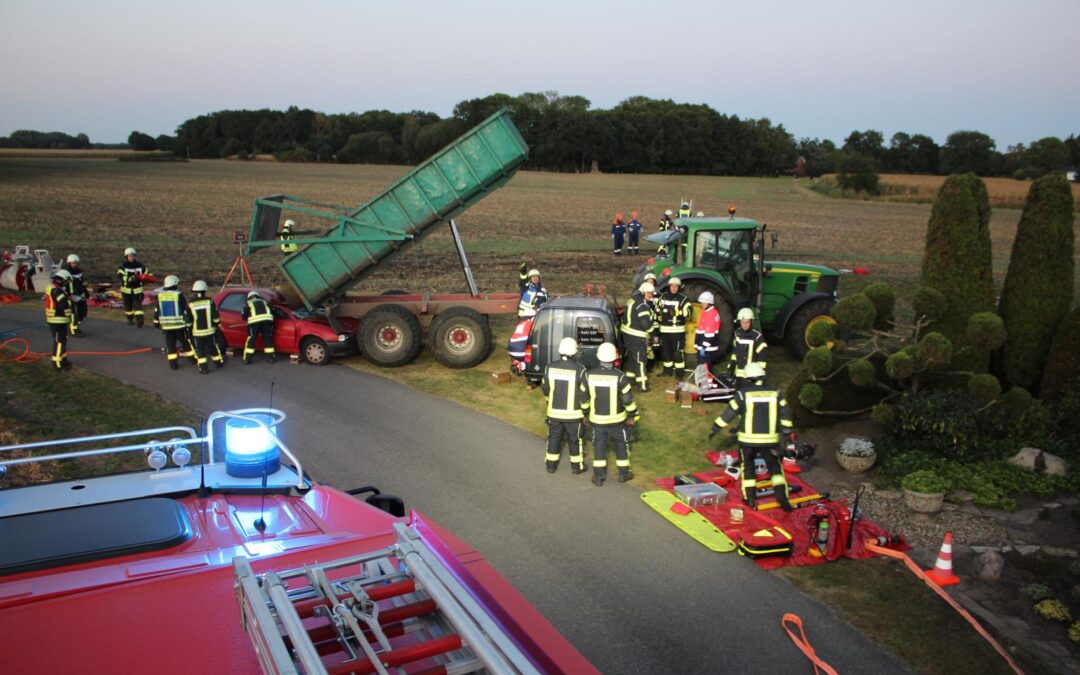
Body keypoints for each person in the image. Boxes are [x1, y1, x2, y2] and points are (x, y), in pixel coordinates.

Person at [710, 362, 794, 510]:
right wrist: (786, 433)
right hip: (770, 441)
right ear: (763, 375)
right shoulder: (776, 393)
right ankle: (783, 500)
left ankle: (750, 500)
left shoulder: (743, 394)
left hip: (747, 441)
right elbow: (786, 414)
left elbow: (729, 414)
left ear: (748, 378)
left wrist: (715, 427)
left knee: (748, 469)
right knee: (775, 469)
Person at [585, 342, 639, 486]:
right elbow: (628, 400)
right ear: (615, 358)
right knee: (621, 445)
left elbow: (584, 398)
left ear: (598, 357)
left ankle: (598, 477)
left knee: (599, 448)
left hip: (597, 420)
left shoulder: (589, 375)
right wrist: (633, 415)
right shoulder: (621, 377)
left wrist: (585, 414)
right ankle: (624, 474)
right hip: (618, 421)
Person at [541, 337, 590, 474]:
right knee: (575, 440)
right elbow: (584, 394)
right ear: (574, 352)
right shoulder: (580, 369)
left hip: (554, 413)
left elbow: (545, 388)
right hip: (574, 415)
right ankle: (577, 467)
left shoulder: (549, 367)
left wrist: (548, 401)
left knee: (553, 438)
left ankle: (550, 466)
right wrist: (586, 410)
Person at [153, 275, 194, 371]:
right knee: (185, 342)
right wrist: (189, 321)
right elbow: (185, 308)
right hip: (179, 325)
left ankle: (173, 365)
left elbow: (156, 310)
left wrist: (156, 322)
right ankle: (192, 360)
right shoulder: (178, 295)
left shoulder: (160, 295)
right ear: (175, 284)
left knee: (170, 346)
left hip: (167, 326)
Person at [622, 282, 655, 392]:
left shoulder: (632, 299)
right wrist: (653, 331)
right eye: (649, 293)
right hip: (637, 336)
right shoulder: (642, 305)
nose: (651, 295)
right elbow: (646, 324)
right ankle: (642, 386)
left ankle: (630, 380)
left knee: (632, 358)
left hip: (627, 334)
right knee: (640, 360)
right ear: (644, 292)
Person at [658, 277, 693, 378]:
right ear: (669, 287)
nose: (673, 288)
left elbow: (690, 313)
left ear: (679, 287)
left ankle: (679, 374)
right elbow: (657, 306)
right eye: (672, 286)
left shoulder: (683, 299)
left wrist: (678, 312)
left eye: (676, 286)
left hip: (677, 332)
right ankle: (667, 372)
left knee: (677, 353)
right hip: (664, 330)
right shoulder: (663, 297)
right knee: (666, 352)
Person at [188, 280, 225, 374]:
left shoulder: (190, 303)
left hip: (197, 333)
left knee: (200, 351)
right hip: (209, 331)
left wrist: (188, 329)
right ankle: (218, 363)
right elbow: (215, 316)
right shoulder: (209, 301)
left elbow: (188, 319)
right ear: (205, 290)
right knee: (213, 347)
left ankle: (203, 369)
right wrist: (217, 324)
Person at [730, 307, 767, 388]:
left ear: (751, 321)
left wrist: (759, 376)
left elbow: (762, 359)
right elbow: (735, 352)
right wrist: (731, 367)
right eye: (742, 322)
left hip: (751, 375)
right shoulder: (737, 333)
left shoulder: (757, 336)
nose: (744, 325)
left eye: (747, 322)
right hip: (739, 373)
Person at [44, 270, 73, 370]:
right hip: (57, 319)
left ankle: (63, 358)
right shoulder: (57, 290)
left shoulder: (53, 288)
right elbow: (63, 304)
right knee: (59, 341)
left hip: (58, 319)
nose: (67, 283)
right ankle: (57, 363)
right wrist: (70, 301)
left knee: (63, 339)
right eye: (66, 281)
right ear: (61, 280)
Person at [117, 247, 148, 327]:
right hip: (126, 291)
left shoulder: (140, 266)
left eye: (133, 255)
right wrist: (129, 279)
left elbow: (147, 273)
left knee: (138, 305)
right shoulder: (123, 266)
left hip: (137, 290)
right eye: (129, 256)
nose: (131, 257)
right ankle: (130, 319)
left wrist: (147, 278)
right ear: (126, 257)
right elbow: (120, 275)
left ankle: (140, 320)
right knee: (128, 306)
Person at [242, 291, 276, 364]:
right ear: (257, 296)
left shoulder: (248, 302)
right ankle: (270, 358)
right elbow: (273, 311)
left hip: (254, 323)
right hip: (267, 322)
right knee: (267, 338)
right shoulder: (264, 301)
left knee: (251, 339)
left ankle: (248, 359)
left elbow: (244, 317)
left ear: (249, 297)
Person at [694, 291, 722, 377]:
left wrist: (703, 347)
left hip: (707, 347)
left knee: (706, 367)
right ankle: (704, 383)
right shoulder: (707, 311)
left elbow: (709, 334)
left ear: (708, 303)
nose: (701, 304)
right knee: (704, 366)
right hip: (704, 345)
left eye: (703, 302)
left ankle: (707, 385)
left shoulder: (711, 314)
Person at [60, 254, 87, 336]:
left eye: (75, 263)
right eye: (72, 263)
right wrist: (67, 294)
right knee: (74, 313)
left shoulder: (79, 271)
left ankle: (76, 325)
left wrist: (85, 291)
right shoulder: (66, 272)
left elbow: (81, 282)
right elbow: (63, 285)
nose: (74, 264)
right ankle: (74, 330)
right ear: (69, 263)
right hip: (72, 295)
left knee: (83, 310)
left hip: (80, 294)